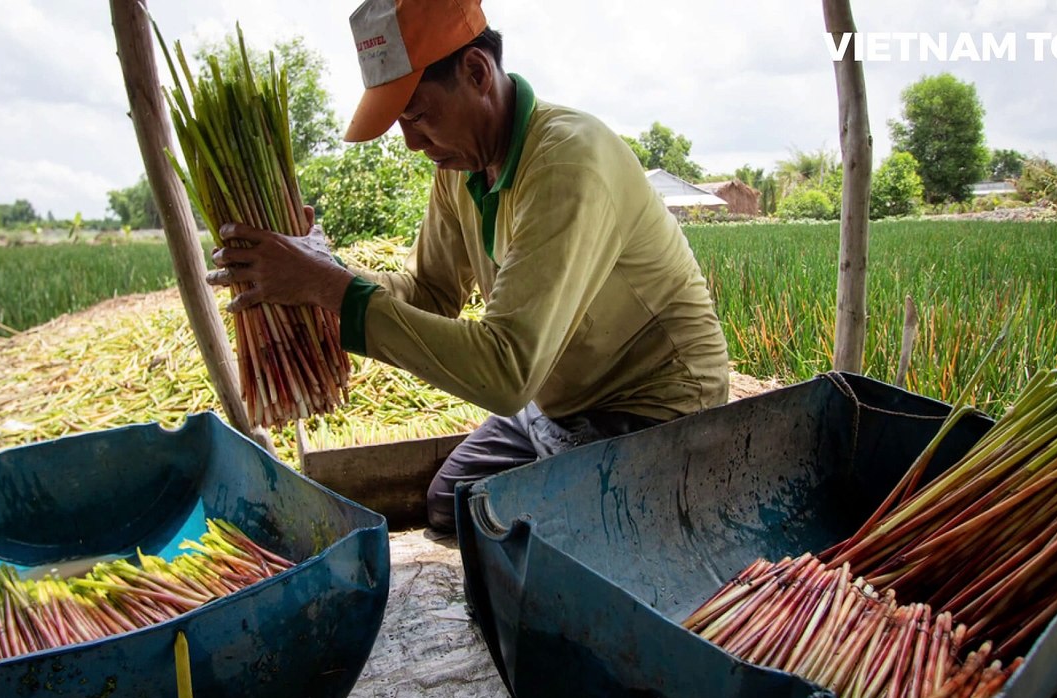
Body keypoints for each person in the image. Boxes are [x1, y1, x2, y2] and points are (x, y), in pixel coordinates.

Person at [207, 0, 730, 532]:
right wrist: (320, 270)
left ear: (476, 72)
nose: (411, 143)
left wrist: (334, 290)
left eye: (416, 116)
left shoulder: (567, 161)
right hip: (554, 402)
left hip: (653, 406)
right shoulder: (459, 168)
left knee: (530, 534)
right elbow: (429, 291)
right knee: (451, 503)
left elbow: (506, 373)